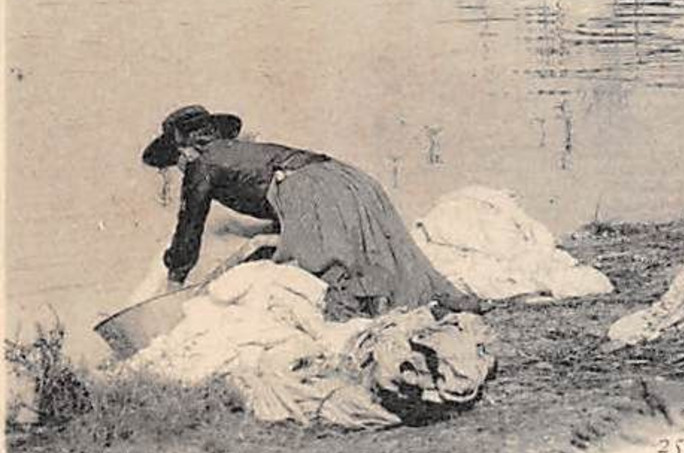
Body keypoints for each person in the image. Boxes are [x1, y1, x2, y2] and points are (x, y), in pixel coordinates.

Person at [142, 105, 477, 318]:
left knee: (325, 274)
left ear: (185, 150)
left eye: (176, 162)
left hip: (308, 189)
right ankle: (430, 303)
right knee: (380, 254)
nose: (179, 168)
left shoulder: (202, 165)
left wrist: (174, 284)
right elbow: (272, 197)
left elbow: (189, 227)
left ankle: (367, 317)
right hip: (344, 178)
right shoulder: (243, 153)